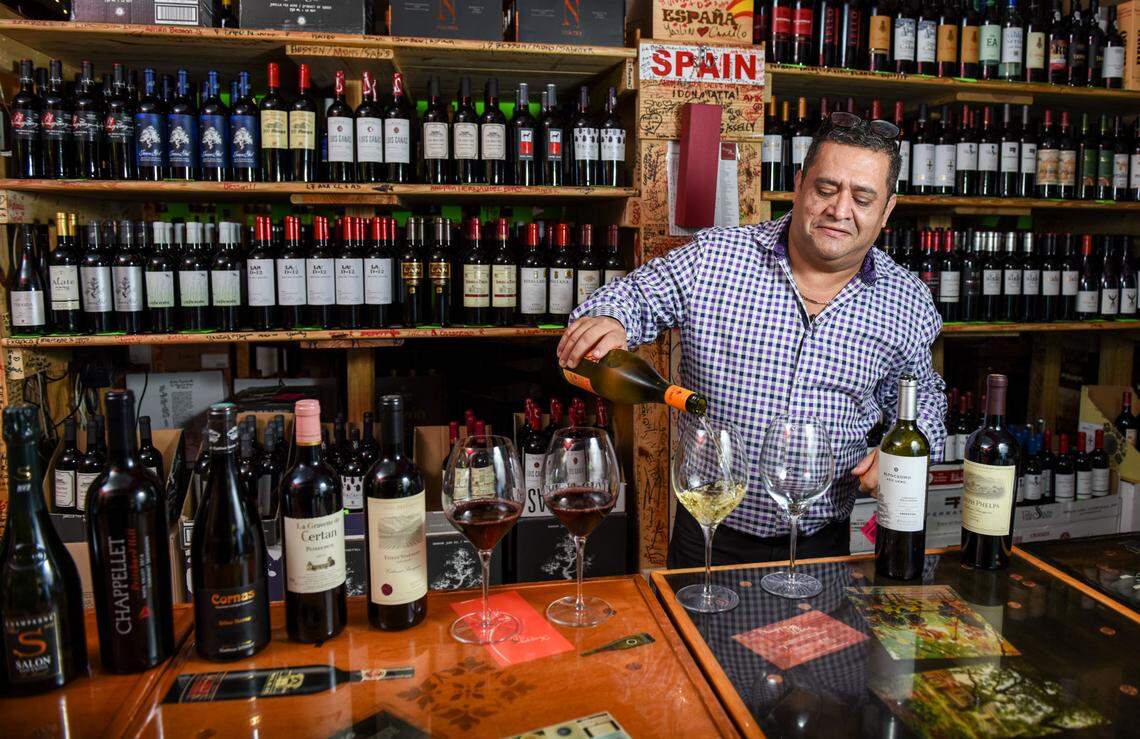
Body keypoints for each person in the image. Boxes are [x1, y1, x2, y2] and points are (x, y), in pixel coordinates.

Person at [556, 113, 947, 568]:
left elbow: (923, 397)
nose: (840, 211)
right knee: (695, 641)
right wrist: (609, 317)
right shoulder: (717, 257)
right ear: (799, 185)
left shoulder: (907, 299)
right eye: (825, 189)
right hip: (709, 529)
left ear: (887, 210)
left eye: (862, 198)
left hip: (822, 544)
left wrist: (906, 445)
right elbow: (634, 295)